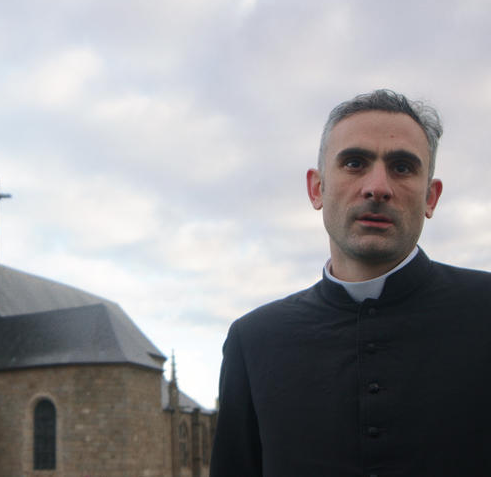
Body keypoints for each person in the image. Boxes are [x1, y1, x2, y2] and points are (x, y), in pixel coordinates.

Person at [209, 89, 491, 477]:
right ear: (317, 188)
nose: (377, 186)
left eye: (403, 167)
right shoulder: (253, 340)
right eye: (355, 163)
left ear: (431, 196)